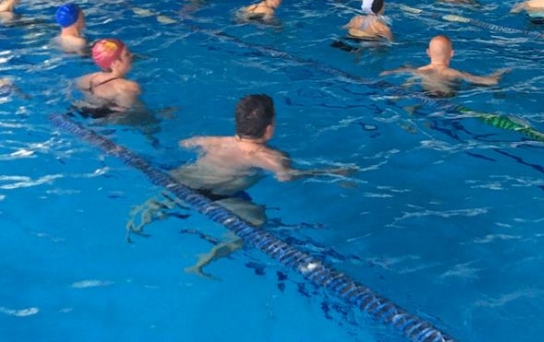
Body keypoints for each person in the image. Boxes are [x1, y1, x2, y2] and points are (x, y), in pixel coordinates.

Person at [127, 94, 353, 276]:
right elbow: (286, 177)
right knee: (257, 218)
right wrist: (330, 172)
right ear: (269, 128)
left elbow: (187, 143)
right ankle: (204, 261)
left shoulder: (213, 141)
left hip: (180, 180)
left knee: (161, 202)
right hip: (213, 195)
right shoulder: (270, 157)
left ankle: (135, 223)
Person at [382, 35, 509, 96]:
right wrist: (500, 73)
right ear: (452, 54)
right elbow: (489, 81)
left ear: (428, 53)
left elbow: (402, 81)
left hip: (426, 95)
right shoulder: (454, 73)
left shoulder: (419, 71)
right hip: (447, 99)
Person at [74, 38, 142, 117]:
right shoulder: (127, 87)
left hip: (81, 112)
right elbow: (133, 113)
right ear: (115, 63)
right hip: (110, 120)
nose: (131, 55)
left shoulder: (84, 79)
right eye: (126, 54)